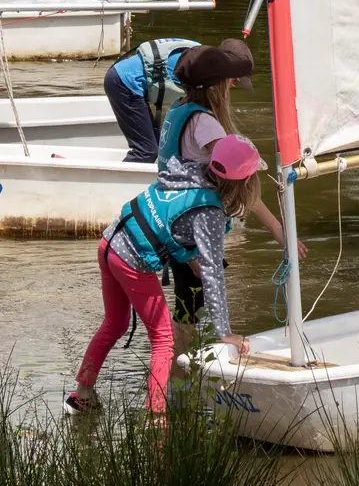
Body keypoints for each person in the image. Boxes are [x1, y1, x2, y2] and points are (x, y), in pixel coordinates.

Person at [65, 133, 264, 416]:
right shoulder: (211, 213)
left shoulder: (187, 171)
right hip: (132, 261)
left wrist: (188, 256)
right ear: (245, 181)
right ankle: (157, 418)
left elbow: (167, 221)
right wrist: (224, 333)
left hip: (110, 242)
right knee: (164, 339)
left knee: (114, 323)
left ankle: (82, 394)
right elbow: (213, 276)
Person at [156, 39, 305, 342]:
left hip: (173, 221)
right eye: (231, 79)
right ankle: (183, 374)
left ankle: (180, 372)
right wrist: (277, 227)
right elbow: (239, 183)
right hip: (192, 230)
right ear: (218, 84)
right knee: (189, 314)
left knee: (187, 311)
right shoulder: (206, 124)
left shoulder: (178, 108)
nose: (234, 85)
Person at [103, 38, 199, 162]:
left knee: (159, 146)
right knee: (146, 151)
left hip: (123, 74)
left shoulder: (199, 54)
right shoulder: (201, 70)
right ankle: (119, 180)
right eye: (232, 80)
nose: (232, 85)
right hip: (125, 82)